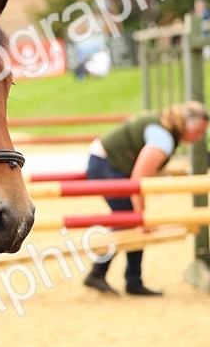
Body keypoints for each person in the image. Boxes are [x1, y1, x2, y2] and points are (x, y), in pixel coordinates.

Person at [82, 101, 209, 297]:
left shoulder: (164, 125)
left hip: (106, 160)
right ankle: (119, 277)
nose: (200, 137)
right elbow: (138, 180)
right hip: (106, 164)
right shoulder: (164, 139)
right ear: (186, 124)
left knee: (129, 220)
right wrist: (143, 217)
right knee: (131, 219)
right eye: (199, 131)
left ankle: (119, 276)